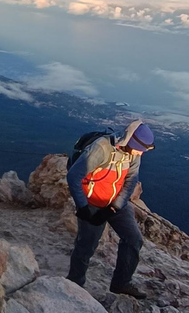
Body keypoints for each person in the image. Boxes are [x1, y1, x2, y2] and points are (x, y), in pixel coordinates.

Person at [66, 120, 156, 299]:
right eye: (140, 149)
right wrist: (83, 208)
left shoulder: (133, 155)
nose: (141, 154)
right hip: (91, 203)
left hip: (115, 203)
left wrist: (114, 208)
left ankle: (121, 284)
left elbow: (130, 181)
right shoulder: (101, 148)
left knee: (133, 239)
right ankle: (74, 285)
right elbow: (74, 176)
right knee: (86, 246)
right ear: (131, 141)